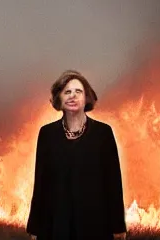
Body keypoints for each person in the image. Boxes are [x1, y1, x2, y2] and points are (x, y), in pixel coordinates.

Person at [26, 70, 127, 240]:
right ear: (59, 99)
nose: (72, 96)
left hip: (95, 224)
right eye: (67, 92)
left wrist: (118, 226)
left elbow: (113, 182)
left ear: (87, 97)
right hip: (56, 223)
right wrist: (35, 228)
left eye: (78, 91)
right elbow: (41, 183)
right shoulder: (47, 134)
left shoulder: (103, 133)